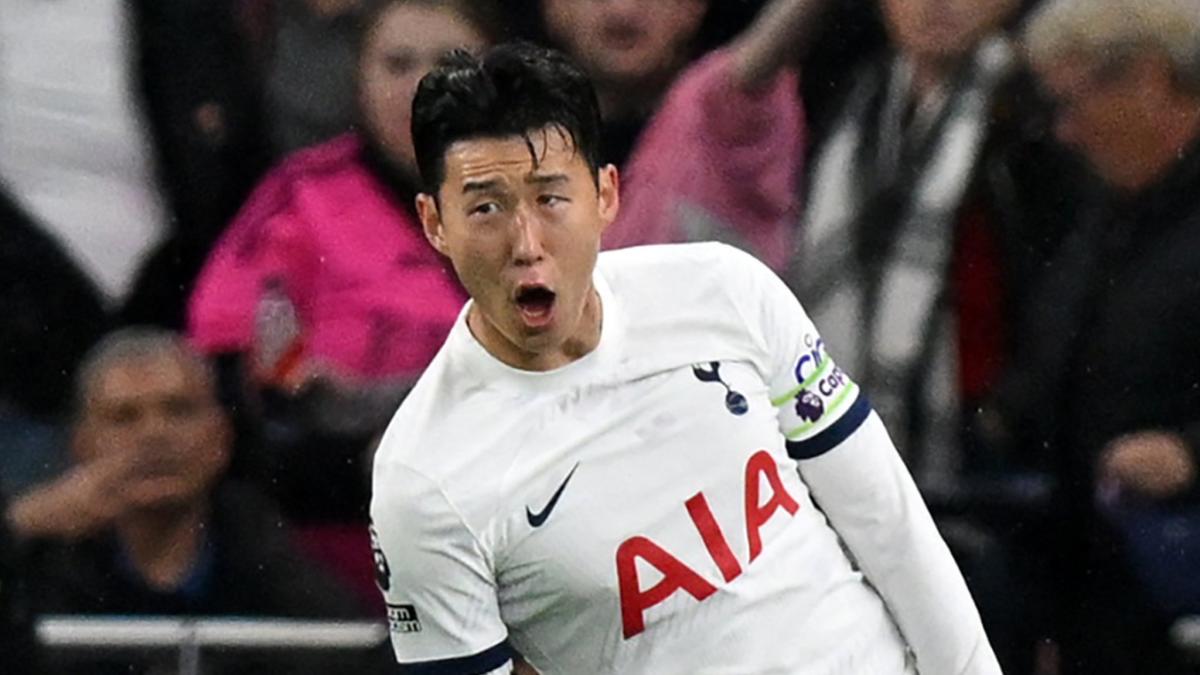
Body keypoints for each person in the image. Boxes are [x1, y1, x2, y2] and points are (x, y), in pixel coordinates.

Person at [369, 42, 1000, 674]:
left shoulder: (725, 291)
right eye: (485, 207)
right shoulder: (424, 483)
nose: (526, 243)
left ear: (606, 196)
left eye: (551, 198)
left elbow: (889, 526)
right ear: (435, 224)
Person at [189, 0, 499, 536]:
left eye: (452, 63)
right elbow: (241, 369)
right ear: (358, 80)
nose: (424, 86)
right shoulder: (298, 200)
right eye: (398, 64)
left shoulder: (549, 198)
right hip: (336, 514)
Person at [988, 0, 1200, 672]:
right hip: (1095, 596)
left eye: (1073, 104)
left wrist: (1193, 454)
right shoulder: (1106, 208)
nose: (1066, 132)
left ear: (1148, 78)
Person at [5, 328, 378, 675]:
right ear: (81, 444)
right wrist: (14, 527)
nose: (154, 435)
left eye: (179, 410)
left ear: (221, 438)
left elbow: (359, 651)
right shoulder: (41, 558)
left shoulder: (262, 547)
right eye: (124, 417)